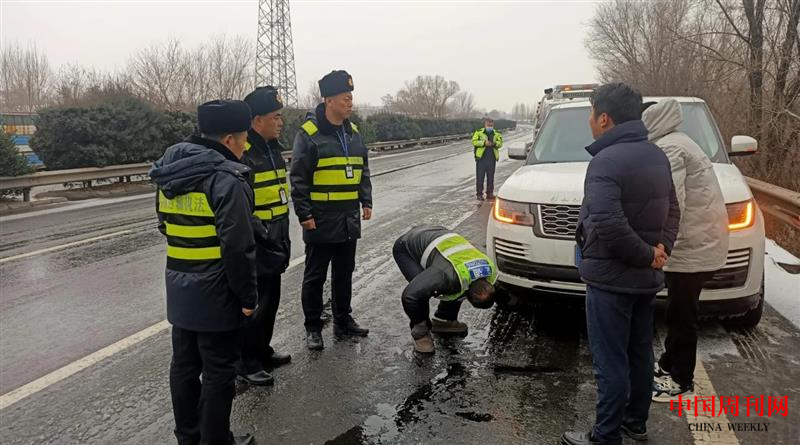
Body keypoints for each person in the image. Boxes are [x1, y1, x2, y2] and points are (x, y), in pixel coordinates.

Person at [561, 83, 680, 445]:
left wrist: (647, 254)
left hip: (611, 279)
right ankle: (635, 423)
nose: (589, 121)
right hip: (645, 277)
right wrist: (660, 250)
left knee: (610, 360)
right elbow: (674, 210)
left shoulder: (606, 160)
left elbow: (608, 223)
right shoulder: (656, 155)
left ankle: (606, 435)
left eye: (591, 113)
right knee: (640, 352)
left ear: (604, 118)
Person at [151, 99, 257, 445]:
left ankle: (189, 437)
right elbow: (238, 247)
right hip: (218, 290)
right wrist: (247, 297)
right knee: (218, 371)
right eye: (244, 138)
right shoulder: (227, 179)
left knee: (184, 366)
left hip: (179, 285)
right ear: (229, 140)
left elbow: (165, 224)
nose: (246, 147)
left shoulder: (169, 171)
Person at [641, 99, 729, 402]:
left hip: (692, 247)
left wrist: (655, 243)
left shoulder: (669, 149)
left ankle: (681, 379)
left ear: (650, 121)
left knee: (682, 315)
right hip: (698, 241)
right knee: (678, 309)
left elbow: (670, 201)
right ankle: (669, 363)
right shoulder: (679, 141)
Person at [290, 70, 373, 351]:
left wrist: (366, 201)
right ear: (328, 101)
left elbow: (363, 170)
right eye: (345, 98)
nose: (350, 103)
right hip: (321, 219)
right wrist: (304, 214)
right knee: (315, 276)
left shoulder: (354, 133)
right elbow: (298, 178)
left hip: (348, 218)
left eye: (351, 98)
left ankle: (343, 319)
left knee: (344, 272)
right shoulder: (310, 134)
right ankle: (313, 327)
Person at [235, 86, 293, 386]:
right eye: (275, 117)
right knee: (254, 306)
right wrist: (263, 235)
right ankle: (246, 362)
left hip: (275, 239)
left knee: (271, 302)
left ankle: (262, 350)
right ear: (257, 121)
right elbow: (243, 207)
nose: (280, 122)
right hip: (258, 242)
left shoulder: (272, 149)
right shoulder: (246, 153)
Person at [393, 225, 496, 353]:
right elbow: (410, 296)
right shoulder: (445, 276)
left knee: (456, 286)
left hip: (437, 234)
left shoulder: (490, 271)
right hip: (406, 247)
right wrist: (420, 328)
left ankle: (444, 319)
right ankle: (421, 335)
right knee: (421, 291)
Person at [472, 117, 503, 200]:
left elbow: (500, 143)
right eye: (488, 125)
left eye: (491, 125)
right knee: (480, 177)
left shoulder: (496, 134)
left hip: (492, 159)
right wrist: (484, 143)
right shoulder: (479, 132)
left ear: (493, 125)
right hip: (481, 159)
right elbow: (474, 141)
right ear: (485, 125)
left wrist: (494, 144)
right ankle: (479, 194)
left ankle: (490, 193)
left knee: (490, 177)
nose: (490, 127)